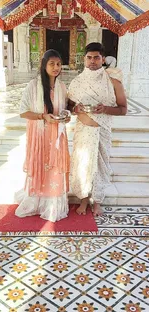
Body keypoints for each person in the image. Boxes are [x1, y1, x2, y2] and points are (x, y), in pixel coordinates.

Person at [68, 42, 127, 216]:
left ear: (103, 60)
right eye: (89, 57)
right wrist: (74, 109)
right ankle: (83, 200)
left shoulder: (113, 82)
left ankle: (97, 202)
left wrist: (106, 109)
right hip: (83, 131)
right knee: (83, 164)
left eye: (96, 57)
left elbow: (123, 109)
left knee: (100, 166)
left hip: (102, 131)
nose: (92, 61)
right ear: (84, 60)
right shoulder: (76, 82)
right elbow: (68, 106)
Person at [15, 49, 70, 222]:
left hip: (56, 137)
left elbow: (64, 108)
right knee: (40, 165)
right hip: (39, 137)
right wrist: (42, 116)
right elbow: (23, 112)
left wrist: (66, 115)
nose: (56, 67)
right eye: (52, 64)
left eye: (59, 64)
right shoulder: (33, 86)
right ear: (44, 65)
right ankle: (35, 201)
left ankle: (52, 203)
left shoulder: (61, 86)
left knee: (55, 168)